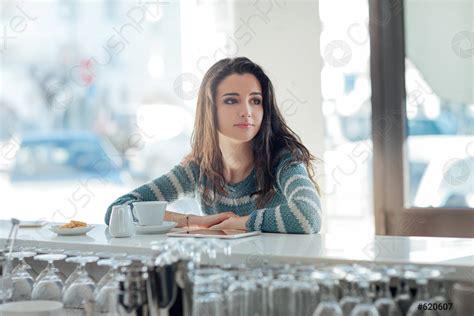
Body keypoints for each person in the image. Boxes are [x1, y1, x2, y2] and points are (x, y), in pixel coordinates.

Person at [105, 57, 322, 234]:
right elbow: (117, 210)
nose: (246, 111)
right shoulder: (198, 168)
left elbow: (308, 215)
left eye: (255, 100)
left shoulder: (284, 161)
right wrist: (195, 221)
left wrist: (240, 223)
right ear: (210, 111)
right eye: (231, 100)